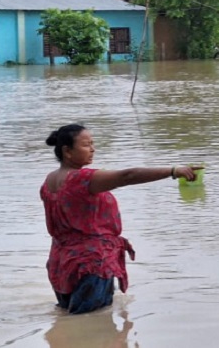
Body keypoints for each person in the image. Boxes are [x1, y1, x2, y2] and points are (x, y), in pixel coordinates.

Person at [40, 123, 200, 314]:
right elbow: (127, 176)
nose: (93, 149)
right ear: (67, 151)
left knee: (74, 322)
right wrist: (173, 170)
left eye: (93, 143)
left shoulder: (49, 181)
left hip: (60, 263)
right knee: (95, 329)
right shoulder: (82, 178)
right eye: (86, 145)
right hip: (91, 264)